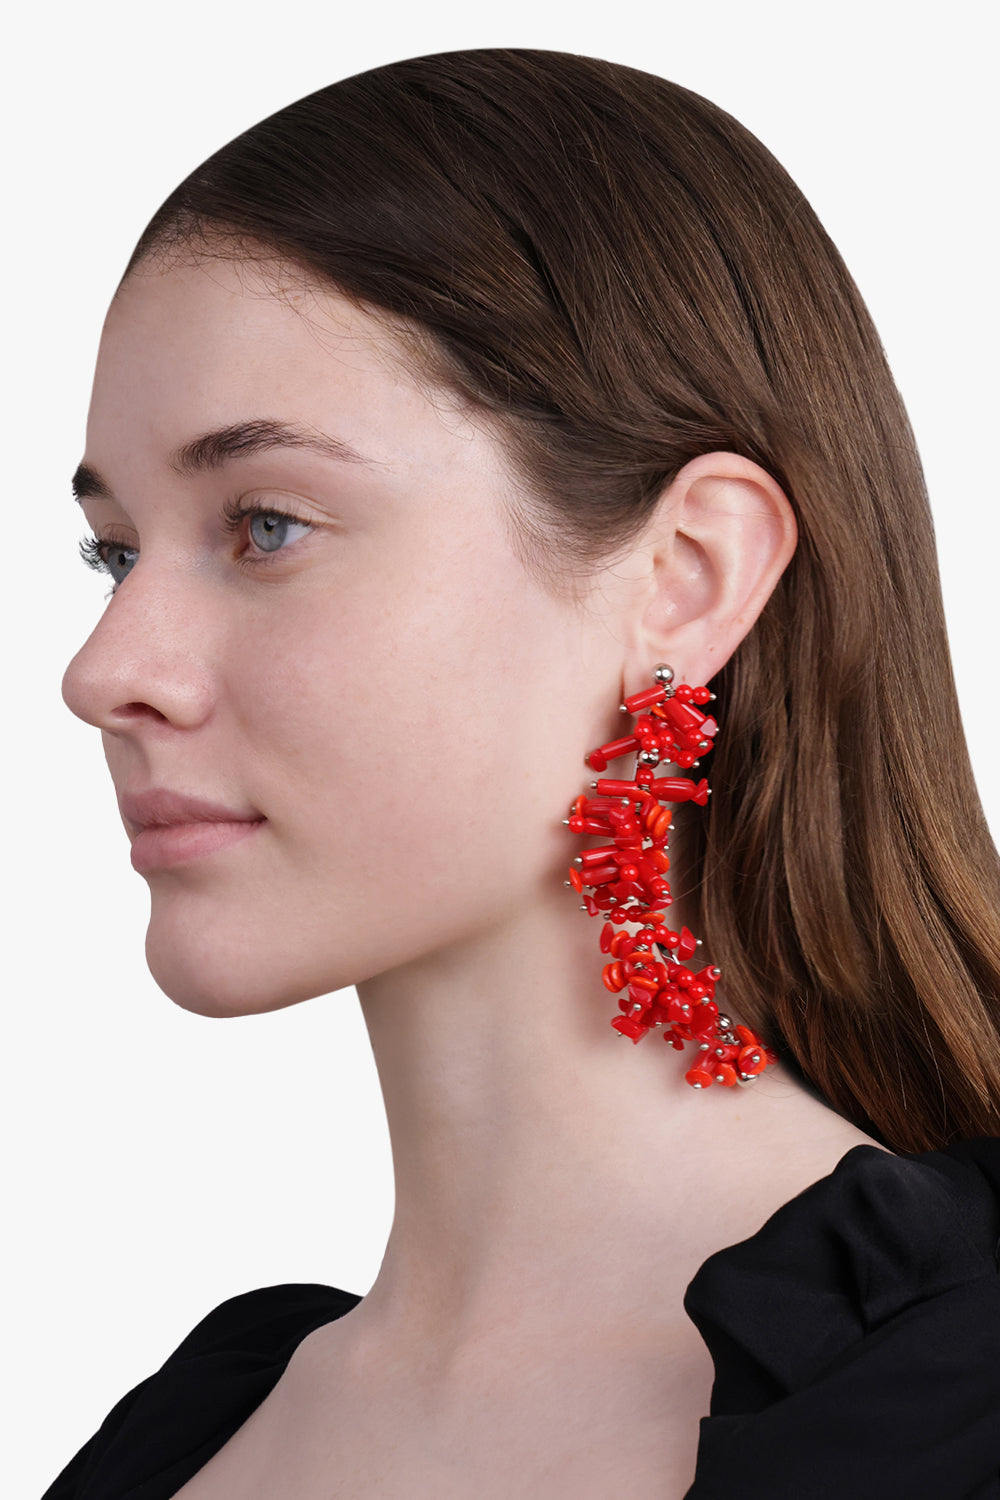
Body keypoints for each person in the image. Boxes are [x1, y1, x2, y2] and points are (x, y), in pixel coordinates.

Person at [42, 46, 1000, 1500]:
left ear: (684, 577)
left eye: (266, 525)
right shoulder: (178, 1441)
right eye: (114, 553)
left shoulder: (960, 1403)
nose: (105, 670)